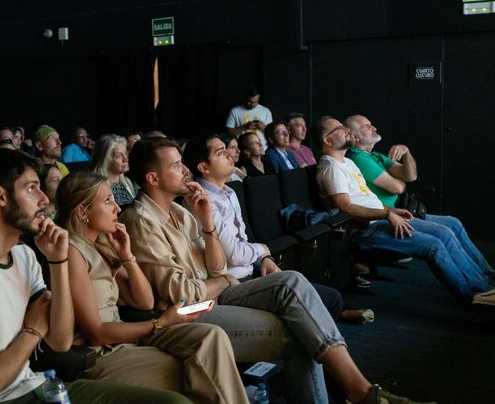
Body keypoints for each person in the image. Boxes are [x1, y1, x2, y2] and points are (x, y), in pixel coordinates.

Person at [121, 137, 427, 404]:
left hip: (212, 293)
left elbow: (213, 265)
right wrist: (226, 278)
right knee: (297, 334)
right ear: (153, 178)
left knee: (292, 280)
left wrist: (208, 225)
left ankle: (359, 391)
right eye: (176, 165)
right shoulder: (141, 221)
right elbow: (184, 293)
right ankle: (361, 394)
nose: (184, 170)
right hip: (186, 312)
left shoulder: (181, 210)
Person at [0, 149, 188, 404]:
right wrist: (33, 330)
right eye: (31, 188)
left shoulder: (24, 255)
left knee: (174, 401)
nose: (45, 199)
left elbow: (59, 342)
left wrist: (57, 261)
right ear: (0, 197)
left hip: (37, 386)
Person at [57, 172, 248, 403]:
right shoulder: (71, 251)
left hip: (127, 337)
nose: (117, 208)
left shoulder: (101, 245)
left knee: (211, 336)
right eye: (107, 201)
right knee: (200, 372)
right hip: (99, 353)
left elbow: (144, 301)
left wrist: (127, 257)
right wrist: (161, 323)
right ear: (82, 211)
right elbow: (96, 334)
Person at [184, 136, 372, 324]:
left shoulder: (229, 192)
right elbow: (233, 255)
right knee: (325, 300)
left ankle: (333, 318)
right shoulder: (202, 200)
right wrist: (263, 249)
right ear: (204, 167)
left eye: (226, 148)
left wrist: (264, 258)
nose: (229, 154)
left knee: (329, 297)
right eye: (220, 152)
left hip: (251, 271)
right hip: (231, 283)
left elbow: (242, 241)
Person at [316, 116, 495, 306]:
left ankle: (484, 286)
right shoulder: (331, 167)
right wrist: (387, 214)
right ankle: (472, 296)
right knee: (433, 246)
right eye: (340, 129)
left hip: (382, 218)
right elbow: (346, 207)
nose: (346, 131)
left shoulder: (347, 163)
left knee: (445, 231)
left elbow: (372, 197)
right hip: (364, 228)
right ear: (327, 140)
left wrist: (392, 210)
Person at [90, 134, 136, 207]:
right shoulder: (96, 187)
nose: (126, 159)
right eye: (118, 156)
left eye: (125, 154)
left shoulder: (127, 182)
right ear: (105, 160)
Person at [225, 85, 272, 149]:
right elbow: (228, 132)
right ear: (245, 98)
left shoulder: (266, 111)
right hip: (242, 149)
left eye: (255, 102)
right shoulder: (235, 111)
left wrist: (263, 127)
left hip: (262, 149)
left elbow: (272, 134)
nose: (252, 104)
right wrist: (244, 127)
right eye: (249, 101)